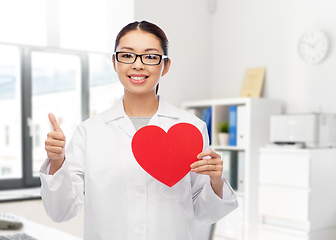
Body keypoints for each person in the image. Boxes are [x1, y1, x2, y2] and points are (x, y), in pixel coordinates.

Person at [40, 20, 238, 240]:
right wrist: (57, 161)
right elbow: (61, 211)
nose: (138, 65)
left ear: (165, 65)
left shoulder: (191, 128)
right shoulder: (89, 132)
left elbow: (205, 213)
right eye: (127, 55)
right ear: (115, 63)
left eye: (150, 56)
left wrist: (216, 181)